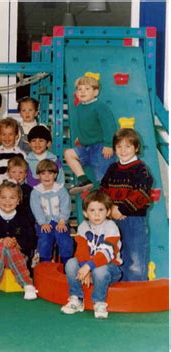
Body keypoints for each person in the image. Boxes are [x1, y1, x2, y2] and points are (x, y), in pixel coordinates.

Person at [100, 129, 153, 281]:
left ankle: (137, 290)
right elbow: (103, 190)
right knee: (117, 253)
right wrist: (109, 209)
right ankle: (122, 289)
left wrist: (122, 209)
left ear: (136, 148)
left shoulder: (140, 169)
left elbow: (141, 194)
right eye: (119, 147)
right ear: (115, 148)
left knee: (135, 255)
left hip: (134, 219)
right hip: (113, 219)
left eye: (128, 146)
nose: (123, 151)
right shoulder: (112, 168)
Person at [61, 190, 122, 319]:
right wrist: (86, 268)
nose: (97, 214)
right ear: (85, 213)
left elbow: (107, 252)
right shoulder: (83, 226)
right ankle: (76, 299)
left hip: (110, 269)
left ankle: (99, 303)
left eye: (101, 210)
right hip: (89, 267)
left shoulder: (111, 227)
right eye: (92, 210)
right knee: (71, 263)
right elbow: (81, 250)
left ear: (108, 212)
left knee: (100, 270)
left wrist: (89, 267)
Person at [0, 181, 38, 300]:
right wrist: (1, 240)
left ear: (18, 201)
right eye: (3, 197)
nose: (7, 201)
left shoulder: (23, 219)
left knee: (10, 248)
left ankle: (27, 286)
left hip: (17, 256)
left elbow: (30, 241)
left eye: (12, 198)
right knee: (2, 246)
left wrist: (16, 243)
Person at [64, 75, 118, 194]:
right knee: (68, 153)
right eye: (79, 89)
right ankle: (84, 180)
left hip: (101, 147)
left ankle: (109, 203)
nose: (82, 91)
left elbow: (109, 126)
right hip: (86, 147)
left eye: (87, 89)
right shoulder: (79, 108)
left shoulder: (100, 106)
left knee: (104, 179)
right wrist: (81, 138)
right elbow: (83, 125)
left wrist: (109, 144)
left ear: (96, 92)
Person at [30, 160, 73, 264]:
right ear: (38, 176)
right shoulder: (36, 192)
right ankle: (45, 262)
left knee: (63, 237)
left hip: (60, 221)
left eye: (50, 173)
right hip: (44, 222)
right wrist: (42, 223)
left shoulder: (61, 190)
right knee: (45, 238)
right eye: (43, 173)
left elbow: (65, 206)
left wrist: (62, 220)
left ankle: (66, 262)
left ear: (55, 175)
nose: (47, 176)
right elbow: (36, 209)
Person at [6, 156, 36, 260]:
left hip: (24, 222)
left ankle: (26, 255)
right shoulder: (4, 188)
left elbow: (31, 211)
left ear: (26, 174)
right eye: (13, 172)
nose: (17, 176)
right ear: (8, 172)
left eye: (21, 173)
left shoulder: (29, 190)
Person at [0, 118, 26, 186]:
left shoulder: (21, 154)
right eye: (4, 134)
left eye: (10, 134)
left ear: (16, 136)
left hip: (16, 188)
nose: (7, 138)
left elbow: (23, 174)